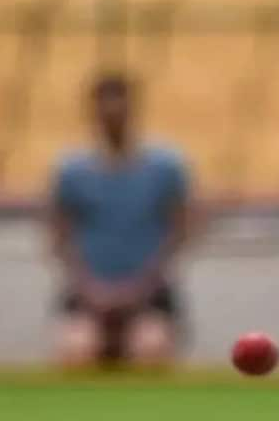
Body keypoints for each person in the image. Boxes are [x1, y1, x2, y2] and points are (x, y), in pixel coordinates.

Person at [47, 72, 196, 369]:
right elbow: (60, 238)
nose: (113, 115)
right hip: (87, 295)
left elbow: (180, 232)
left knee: (151, 347)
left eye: (120, 105)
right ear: (93, 112)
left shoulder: (166, 166)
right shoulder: (71, 170)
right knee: (76, 348)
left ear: (132, 109)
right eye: (105, 107)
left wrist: (140, 288)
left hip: (150, 294)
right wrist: (90, 289)